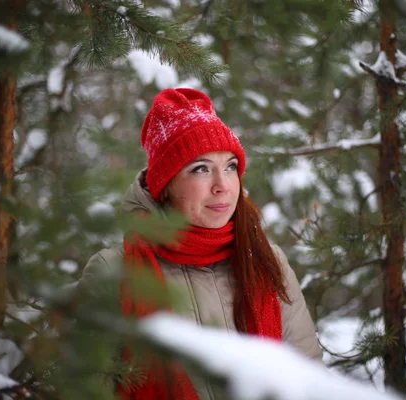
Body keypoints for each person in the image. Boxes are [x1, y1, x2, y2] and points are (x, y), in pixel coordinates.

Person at [79, 88, 322, 400]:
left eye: (230, 166)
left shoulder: (265, 259)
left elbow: (308, 379)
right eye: (201, 169)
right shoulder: (114, 271)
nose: (222, 185)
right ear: (165, 187)